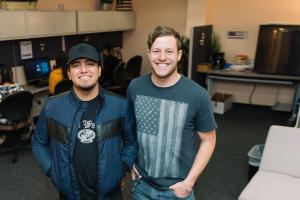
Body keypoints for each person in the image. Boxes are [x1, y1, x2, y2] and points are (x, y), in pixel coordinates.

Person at [32, 43, 138, 200]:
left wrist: (120, 168)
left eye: (90, 64)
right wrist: (51, 169)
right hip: (69, 194)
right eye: (76, 65)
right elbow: (38, 142)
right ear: (68, 73)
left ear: (99, 70)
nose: (83, 70)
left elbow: (131, 142)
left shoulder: (120, 105)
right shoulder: (52, 107)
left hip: (110, 194)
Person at [127, 26, 217, 200]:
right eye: (156, 51)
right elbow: (129, 129)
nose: (162, 57)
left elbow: (209, 140)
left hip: (177, 190)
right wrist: (129, 162)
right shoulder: (135, 87)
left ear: (179, 55)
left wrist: (189, 183)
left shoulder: (197, 94)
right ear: (148, 53)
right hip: (141, 186)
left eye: (169, 51)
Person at [0, 65, 25, 145]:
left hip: (4, 122)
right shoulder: (19, 88)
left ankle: (2, 137)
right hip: (19, 119)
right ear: (11, 75)